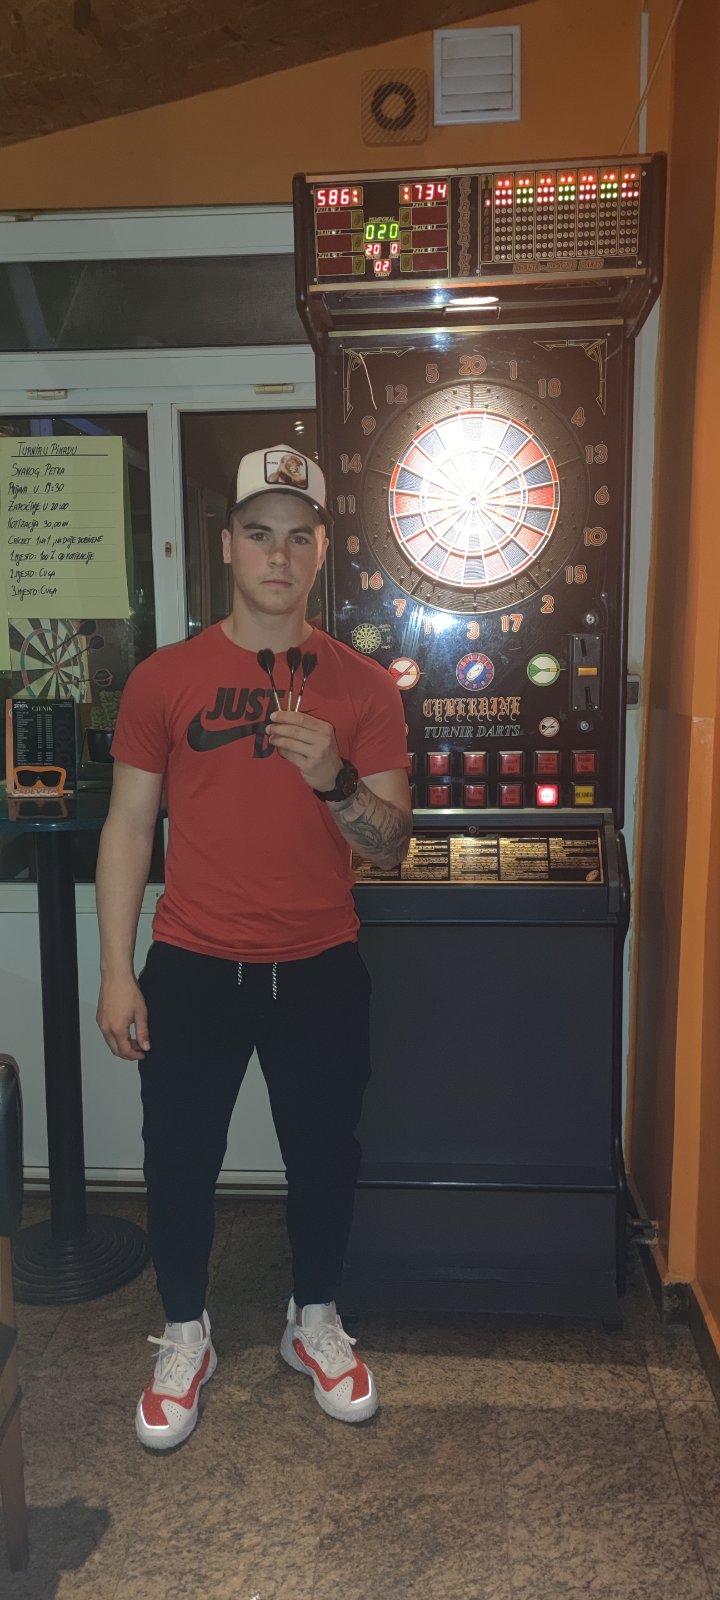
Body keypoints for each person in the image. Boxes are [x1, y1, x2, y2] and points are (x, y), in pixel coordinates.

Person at [95, 444, 412, 1450]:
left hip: (320, 962)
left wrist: (335, 781)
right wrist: (115, 971)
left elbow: (392, 844)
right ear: (227, 545)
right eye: (260, 533)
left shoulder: (365, 687)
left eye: (299, 536)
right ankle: (185, 1333)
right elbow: (128, 827)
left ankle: (312, 1317)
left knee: (325, 1153)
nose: (280, 554)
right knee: (179, 1157)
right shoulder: (165, 677)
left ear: (322, 552)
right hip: (194, 960)